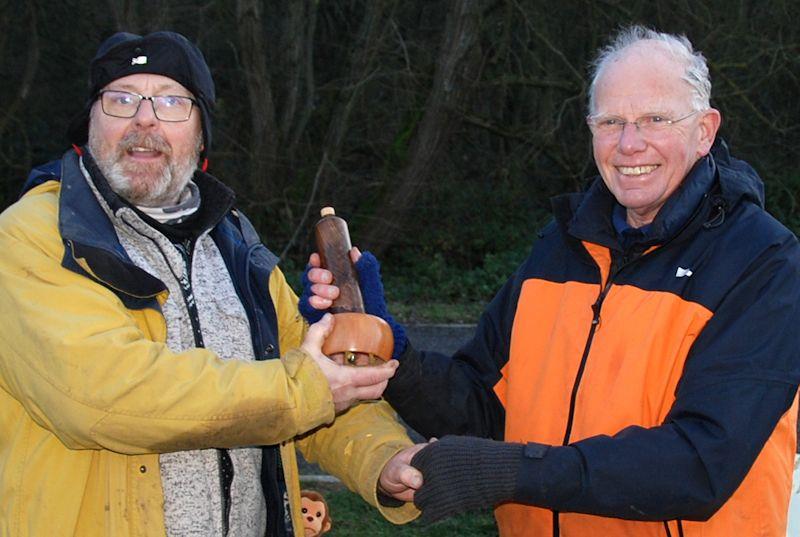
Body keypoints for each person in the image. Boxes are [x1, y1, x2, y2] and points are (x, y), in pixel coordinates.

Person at [304, 25, 800, 536]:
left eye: (656, 118)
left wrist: (512, 471)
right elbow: (481, 406)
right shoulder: (562, 247)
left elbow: (698, 464)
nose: (630, 143)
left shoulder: (762, 260)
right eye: (611, 121)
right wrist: (390, 353)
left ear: (705, 130)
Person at [0, 31, 425, 537]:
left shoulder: (237, 245)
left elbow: (322, 384)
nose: (145, 118)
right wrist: (300, 388)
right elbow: (100, 394)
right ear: (89, 125)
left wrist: (386, 460)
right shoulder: (35, 235)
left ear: (201, 135)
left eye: (172, 102)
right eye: (121, 99)